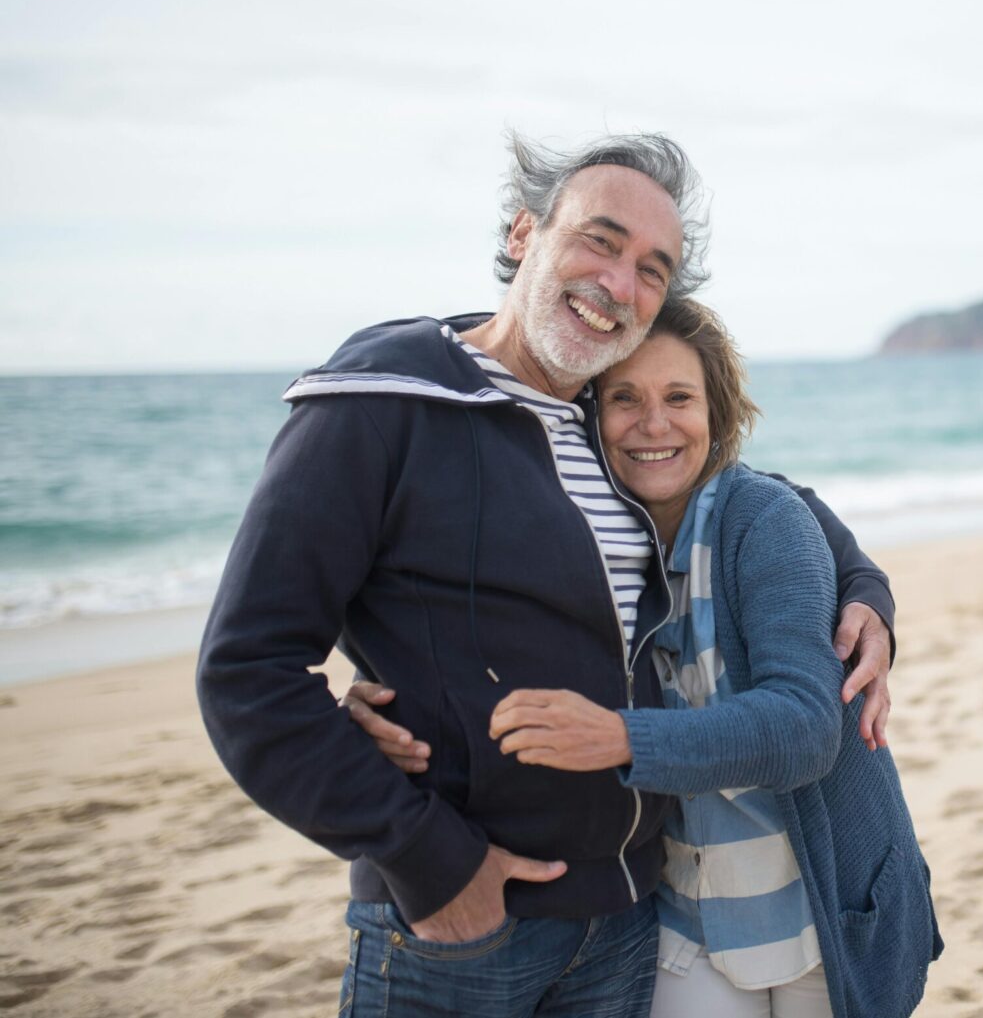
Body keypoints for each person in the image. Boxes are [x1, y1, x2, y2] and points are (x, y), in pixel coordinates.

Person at [195, 133, 897, 1018]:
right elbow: (246, 673)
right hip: (465, 930)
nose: (620, 284)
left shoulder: (600, 421)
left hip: (633, 920)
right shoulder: (379, 405)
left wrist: (865, 590)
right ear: (525, 234)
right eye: (600, 240)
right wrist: (433, 865)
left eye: (653, 268)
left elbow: (755, 494)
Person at [375, 300, 942, 1016]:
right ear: (587, 414)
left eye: (680, 397)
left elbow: (805, 728)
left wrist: (619, 738)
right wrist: (380, 688)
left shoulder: (763, 521)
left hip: (821, 910)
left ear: (717, 412)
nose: (654, 423)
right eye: (624, 399)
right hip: (686, 908)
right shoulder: (590, 535)